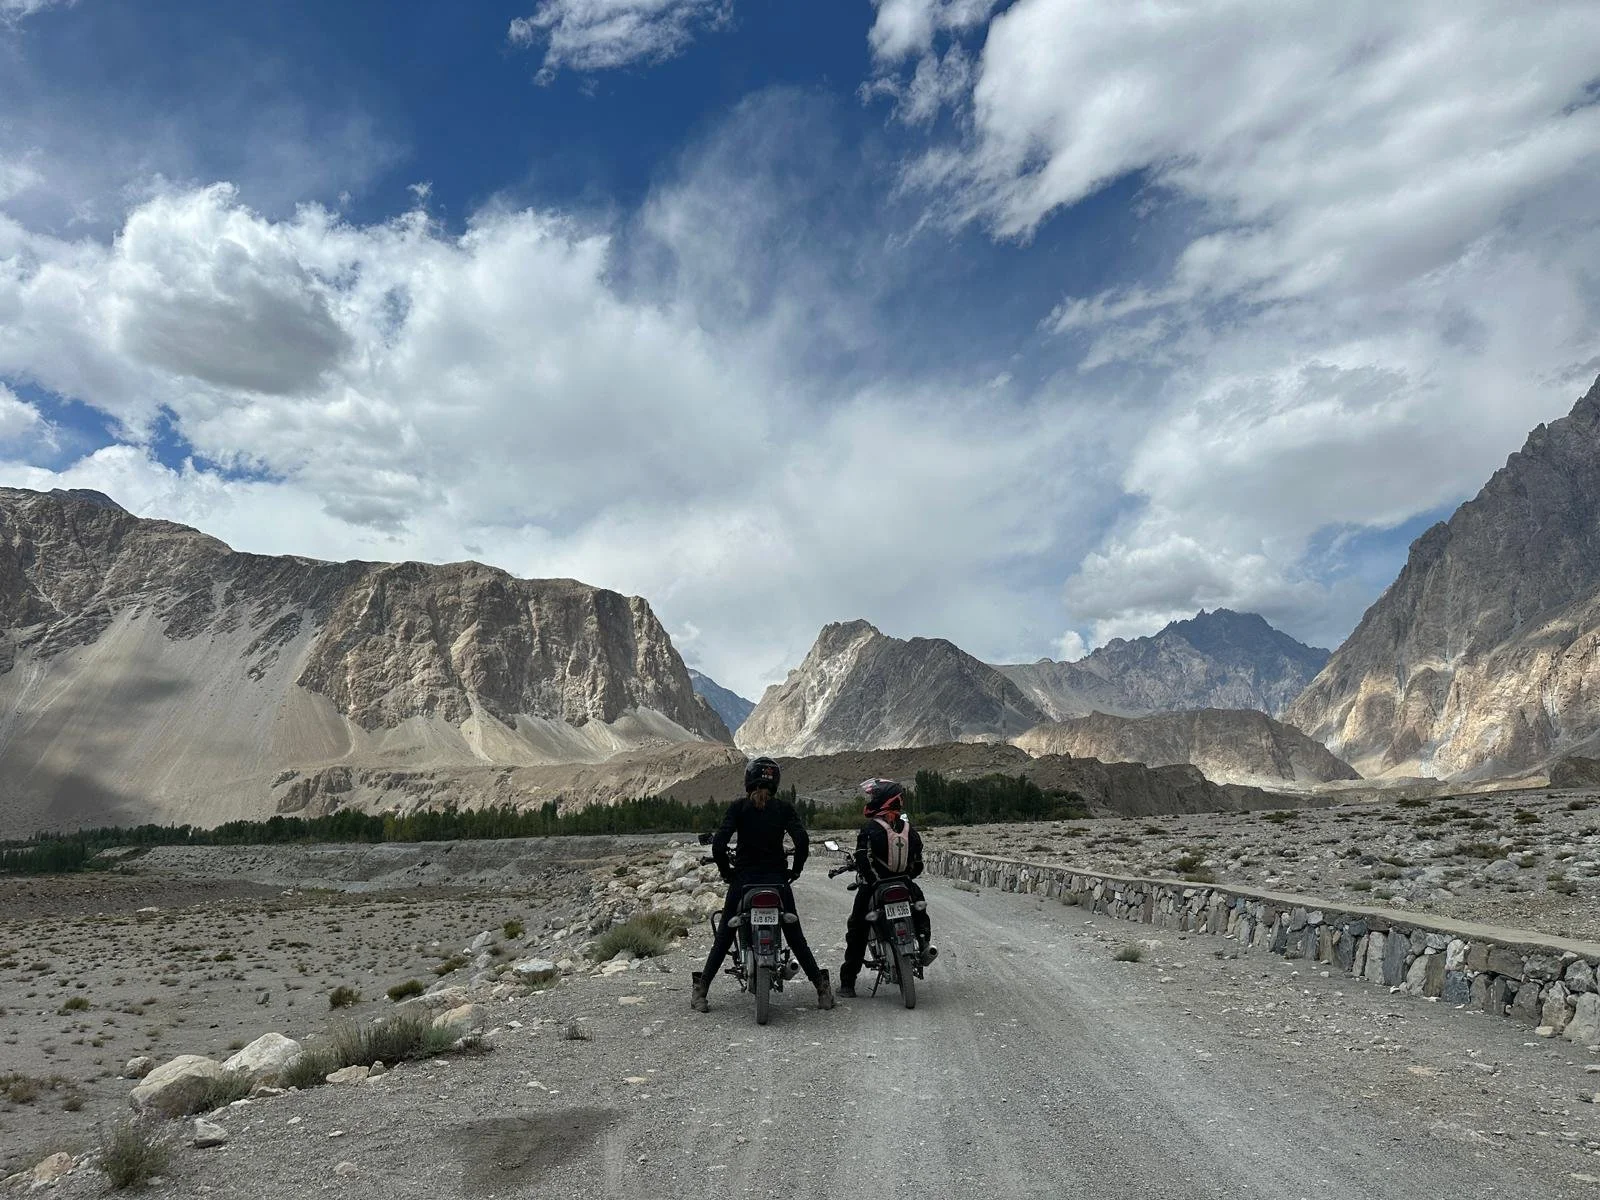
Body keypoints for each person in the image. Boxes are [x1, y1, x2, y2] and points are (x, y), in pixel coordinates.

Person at [690, 756, 836, 1012]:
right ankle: (821, 989)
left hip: (744, 881)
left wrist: (728, 873)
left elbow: (718, 845)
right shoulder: (783, 809)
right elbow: (802, 840)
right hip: (777, 881)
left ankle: (701, 991)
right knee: (795, 935)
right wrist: (795, 870)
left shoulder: (738, 808)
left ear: (749, 780)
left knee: (725, 935)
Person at [837, 777, 937, 998]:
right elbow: (918, 864)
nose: (871, 800)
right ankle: (923, 942)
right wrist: (904, 878)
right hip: (904, 884)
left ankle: (847, 984)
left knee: (857, 930)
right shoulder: (910, 829)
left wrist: (873, 882)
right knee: (920, 909)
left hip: (876, 887)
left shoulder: (870, 829)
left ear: (883, 799)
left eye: (873, 796)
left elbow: (863, 860)